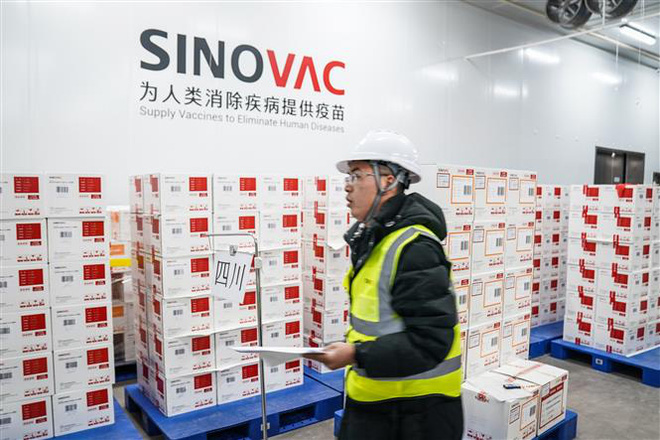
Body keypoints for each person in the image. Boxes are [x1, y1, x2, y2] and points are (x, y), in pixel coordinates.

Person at [305, 130, 463, 440]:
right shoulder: (375, 238)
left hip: (416, 415)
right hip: (377, 404)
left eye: (357, 175)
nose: (347, 186)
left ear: (389, 181)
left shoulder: (415, 247)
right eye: (348, 177)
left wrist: (356, 354)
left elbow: (431, 341)